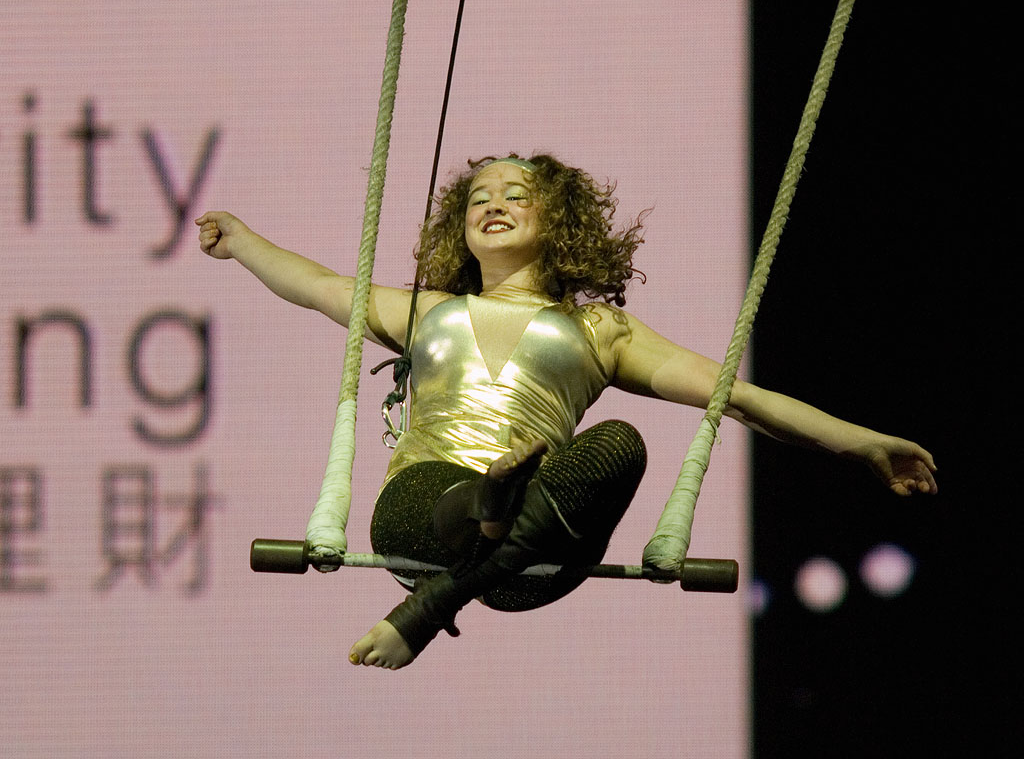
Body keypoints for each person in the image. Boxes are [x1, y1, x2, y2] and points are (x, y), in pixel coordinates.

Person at [196, 154, 937, 670]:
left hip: (538, 556)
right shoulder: (426, 311)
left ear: (558, 220)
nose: (492, 204)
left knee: (619, 443)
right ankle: (487, 507)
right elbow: (319, 285)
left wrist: (859, 443)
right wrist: (242, 243)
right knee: (460, 498)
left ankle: (490, 522)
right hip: (420, 518)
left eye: (515, 194)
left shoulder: (598, 330)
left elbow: (738, 397)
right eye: (479, 197)